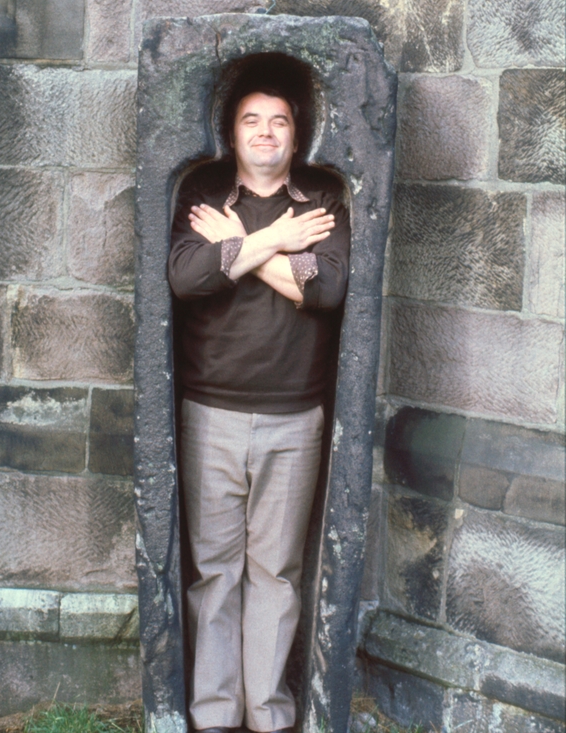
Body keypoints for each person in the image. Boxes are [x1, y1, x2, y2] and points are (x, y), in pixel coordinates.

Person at [168, 82, 350, 733]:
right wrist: (278, 240)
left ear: (297, 136)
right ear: (231, 131)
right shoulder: (201, 197)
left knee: (276, 572)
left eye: (279, 121)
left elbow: (325, 290)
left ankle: (269, 715)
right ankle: (215, 715)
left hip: (294, 417)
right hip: (209, 413)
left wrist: (242, 244)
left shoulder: (323, 203)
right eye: (253, 120)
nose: (266, 132)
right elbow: (187, 278)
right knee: (213, 570)